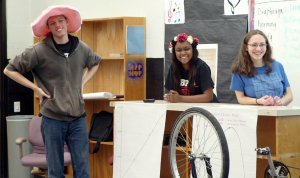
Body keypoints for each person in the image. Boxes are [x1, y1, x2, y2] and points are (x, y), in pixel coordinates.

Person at [4, 5, 101, 178]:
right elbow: (9, 70)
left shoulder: (82, 48)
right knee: (55, 171)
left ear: (67, 22)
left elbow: (95, 62)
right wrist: (36, 88)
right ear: (48, 28)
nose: (58, 26)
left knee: (83, 170)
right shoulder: (39, 51)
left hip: (78, 118)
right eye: (52, 23)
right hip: (52, 120)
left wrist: (82, 82)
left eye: (60, 21)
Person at [230, 29, 293, 106]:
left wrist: (281, 102)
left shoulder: (278, 66)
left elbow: (289, 95)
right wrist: (258, 101)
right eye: (254, 45)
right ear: (246, 47)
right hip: (254, 116)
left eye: (262, 44)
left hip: (279, 116)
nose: (258, 49)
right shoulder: (239, 70)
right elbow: (241, 99)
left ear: (266, 46)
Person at [164, 32, 218, 103]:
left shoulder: (201, 66)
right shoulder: (173, 67)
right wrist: (170, 97)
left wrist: (180, 98)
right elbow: (170, 92)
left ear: (193, 50)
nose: (183, 53)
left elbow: (208, 97)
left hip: (206, 110)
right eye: (179, 50)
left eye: (186, 49)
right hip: (186, 108)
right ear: (174, 52)